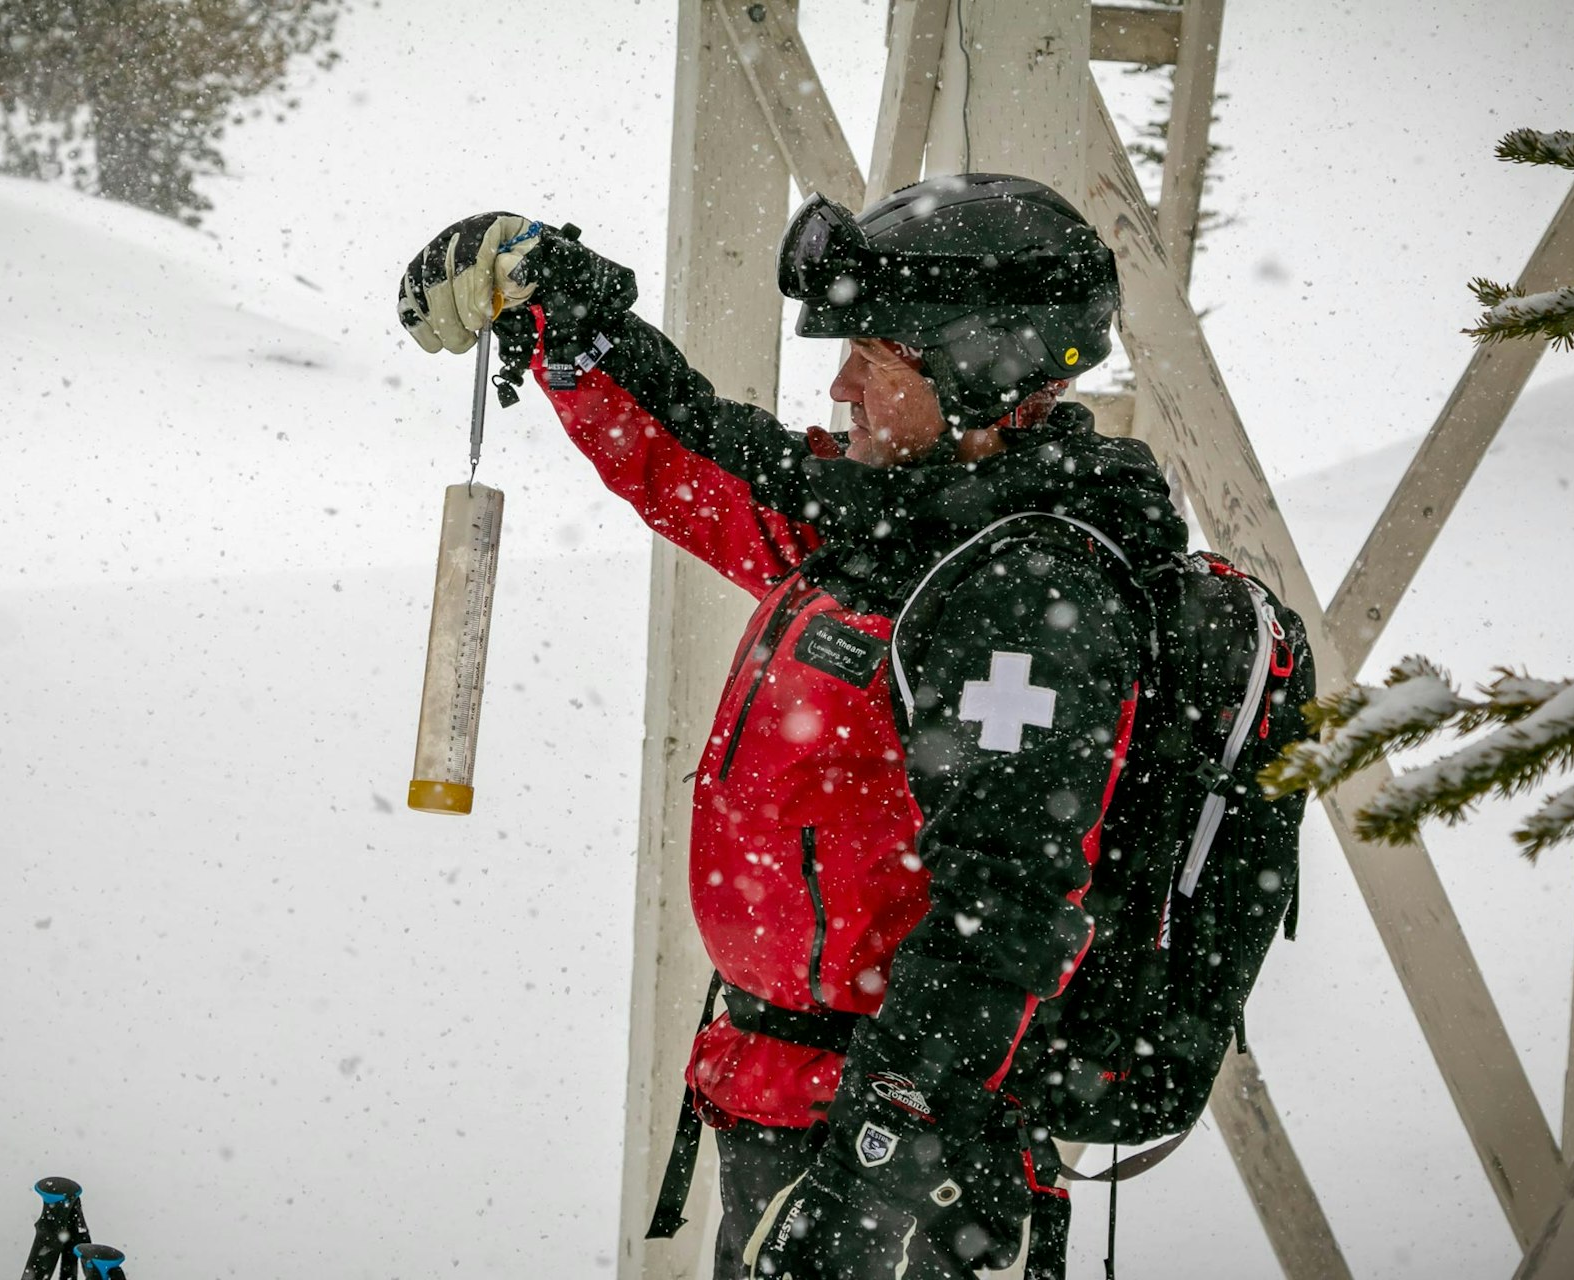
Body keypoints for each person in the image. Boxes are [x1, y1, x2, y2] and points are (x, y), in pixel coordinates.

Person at [398, 174, 1185, 1279]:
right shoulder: (893, 525)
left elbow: (1004, 917)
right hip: (785, 1102)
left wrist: (874, 1176)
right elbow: (697, 462)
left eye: (879, 354)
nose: (842, 381)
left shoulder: (1025, 603)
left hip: (899, 1168)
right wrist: (568, 316)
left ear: (980, 373)